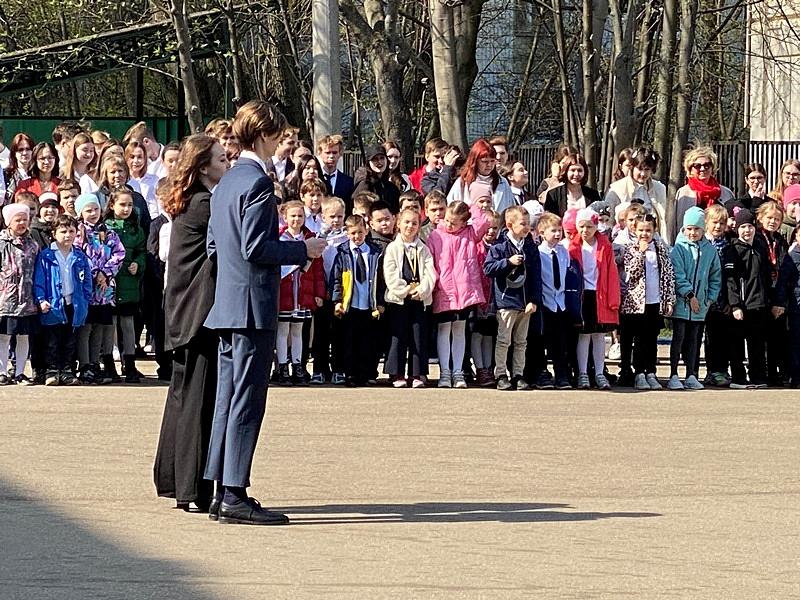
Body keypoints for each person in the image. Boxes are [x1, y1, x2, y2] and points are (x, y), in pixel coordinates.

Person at [203, 100, 325, 526]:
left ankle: (221, 490)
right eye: (278, 135)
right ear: (263, 136)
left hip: (228, 303)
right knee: (247, 400)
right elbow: (256, 247)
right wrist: (302, 249)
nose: (281, 143)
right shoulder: (256, 181)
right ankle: (234, 493)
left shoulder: (226, 182)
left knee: (227, 399)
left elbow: (215, 247)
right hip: (252, 306)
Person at [154, 133, 227, 514]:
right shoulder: (204, 204)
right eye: (220, 159)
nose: (227, 163)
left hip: (184, 313)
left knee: (182, 398)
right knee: (198, 400)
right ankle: (193, 488)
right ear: (202, 167)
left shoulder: (190, 200)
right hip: (199, 315)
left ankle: (175, 481)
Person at [427, 201, 489, 388]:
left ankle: (458, 371)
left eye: (454, 223)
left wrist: (472, 206)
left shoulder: (470, 233)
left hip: (465, 291)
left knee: (460, 331)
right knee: (444, 330)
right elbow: (431, 262)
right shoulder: (436, 235)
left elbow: (484, 221)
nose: (448, 225)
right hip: (444, 290)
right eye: (447, 220)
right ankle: (445, 372)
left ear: (464, 222)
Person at [483, 206, 541, 390]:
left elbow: (536, 276)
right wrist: (507, 262)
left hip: (525, 303)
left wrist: (534, 300)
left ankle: (518, 374)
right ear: (509, 225)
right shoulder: (499, 246)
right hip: (506, 301)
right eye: (523, 224)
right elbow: (488, 269)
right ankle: (500, 374)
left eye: (528, 224)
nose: (527, 227)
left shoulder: (530, 247)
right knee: (503, 340)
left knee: (521, 341)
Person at [33, 214, 93, 385]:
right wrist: (41, 299)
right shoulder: (46, 255)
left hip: (73, 304)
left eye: (71, 231)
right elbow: (39, 280)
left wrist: (85, 299)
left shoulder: (79, 256)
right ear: (54, 233)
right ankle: (51, 370)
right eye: (63, 231)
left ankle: (67, 370)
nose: (68, 235)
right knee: (52, 340)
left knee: (70, 340)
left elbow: (87, 280)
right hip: (53, 304)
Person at [74, 193, 125, 384]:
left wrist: (105, 272)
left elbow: (119, 253)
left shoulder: (109, 232)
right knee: (85, 327)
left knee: (99, 327)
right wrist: (94, 274)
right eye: (88, 210)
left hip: (104, 290)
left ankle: (95, 363)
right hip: (86, 288)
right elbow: (77, 256)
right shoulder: (78, 233)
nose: (93, 213)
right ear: (81, 213)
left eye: (96, 209)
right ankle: (84, 364)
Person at [620, 214, 675, 390]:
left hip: (655, 302)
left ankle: (651, 371)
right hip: (636, 305)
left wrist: (668, 299)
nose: (645, 234)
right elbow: (631, 273)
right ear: (634, 231)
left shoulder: (661, 249)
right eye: (641, 230)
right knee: (638, 339)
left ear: (654, 230)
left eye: (648, 230)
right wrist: (641, 253)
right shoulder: (630, 249)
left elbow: (668, 276)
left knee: (651, 339)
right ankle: (639, 373)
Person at [382, 207, 436, 387]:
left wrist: (422, 290)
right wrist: (405, 290)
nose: (410, 226)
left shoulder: (423, 249)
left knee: (418, 336)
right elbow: (390, 274)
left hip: (419, 300)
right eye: (406, 222)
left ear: (419, 226)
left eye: (414, 223)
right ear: (398, 223)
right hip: (398, 300)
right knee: (398, 336)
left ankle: (416, 373)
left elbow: (430, 273)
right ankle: (396, 373)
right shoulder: (392, 248)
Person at [274, 201, 325, 386]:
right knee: (282, 331)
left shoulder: (310, 238)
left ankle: (298, 366)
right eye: (293, 216)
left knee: (298, 331)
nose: (297, 219)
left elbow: (318, 269)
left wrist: (319, 293)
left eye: (300, 216)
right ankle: (282, 367)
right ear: (285, 217)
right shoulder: (279, 238)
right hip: (285, 292)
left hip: (302, 293)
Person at [569, 208, 620, 390]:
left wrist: (613, 299)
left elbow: (612, 273)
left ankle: (599, 373)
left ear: (596, 226)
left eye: (589, 226)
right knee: (583, 335)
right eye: (582, 226)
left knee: (599, 336)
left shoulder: (604, 245)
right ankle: (582, 373)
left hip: (600, 294)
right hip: (582, 296)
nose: (585, 230)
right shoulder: (572, 246)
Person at [331, 214, 384, 386]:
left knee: (368, 342)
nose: (357, 236)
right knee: (349, 342)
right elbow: (336, 278)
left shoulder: (375, 252)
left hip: (368, 303)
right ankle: (351, 374)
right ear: (347, 233)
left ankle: (368, 374)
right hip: (350, 303)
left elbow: (381, 279)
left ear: (366, 231)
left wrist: (381, 302)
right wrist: (337, 301)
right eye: (353, 233)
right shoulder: (343, 253)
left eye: (360, 232)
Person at [723, 209, 770, 388]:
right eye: (743, 227)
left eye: (750, 226)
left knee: (757, 343)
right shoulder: (732, 249)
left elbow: (765, 276)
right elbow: (730, 280)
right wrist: (735, 304)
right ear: (737, 229)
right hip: (741, 306)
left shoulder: (760, 247)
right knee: (736, 343)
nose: (747, 230)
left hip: (759, 303)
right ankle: (738, 377)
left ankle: (758, 376)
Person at [536, 212, 581, 389]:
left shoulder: (563, 252)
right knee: (541, 340)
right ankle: (542, 373)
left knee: (561, 342)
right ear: (542, 233)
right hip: (545, 302)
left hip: (561, 303)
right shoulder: (538, 253)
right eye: (553, 231)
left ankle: (562, 374)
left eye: (559, 230)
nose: (557, 234)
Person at [0, 203, 39, 385]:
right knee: (4, 336)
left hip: (27, 299)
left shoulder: (32, 244)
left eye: (25, 219)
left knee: (24, 336)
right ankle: (2, 371)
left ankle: (20, 372)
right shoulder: (2, 244)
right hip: (6, 299)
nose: (22, 223)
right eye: (18, 220)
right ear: (9, 222)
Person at [311, 196, 348, 385]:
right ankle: (319, 369)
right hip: (322, 291)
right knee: (321, 333)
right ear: (323, 217)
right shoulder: (318, 237)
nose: (336, 220)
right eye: (332, 216)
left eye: (340, 216)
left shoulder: (347, 237)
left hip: (341, 293)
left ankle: (339, 368)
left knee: (339, 333)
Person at [598, 146, 668, 241]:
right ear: (632, 167)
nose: (643, 174)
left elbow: (662, 221)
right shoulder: (617, 189)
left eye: (647, 169)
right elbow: (607, 222)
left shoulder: (659, 189)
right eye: (639, 169)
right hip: (623, 242)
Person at [754, 200, 790, 386]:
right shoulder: (756, 239)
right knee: (760, 338)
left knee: (777, 337)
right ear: (760, 218)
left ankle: (776, 373)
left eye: (777, 219)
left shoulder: (780, 241)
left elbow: (784, 271)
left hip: (777, 294)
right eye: (769, 217)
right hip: (760, 294)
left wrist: (780, 301)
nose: (773, 222)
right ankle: (760, 373)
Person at [672, 146, 734, 244]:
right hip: (691, 245)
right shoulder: (683, 193)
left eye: (707, 165)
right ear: (690, 169)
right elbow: (677, 225)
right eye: (697, 166)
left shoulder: (726, 193)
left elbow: (732, 222)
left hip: (722, 245)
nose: (702, 169)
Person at [702, 204, 734, 387]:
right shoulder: (701, 243)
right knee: (704, 338)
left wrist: (730, 300)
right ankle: (705, 371)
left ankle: (720, 370)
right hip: (702, 298)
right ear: (706, 222)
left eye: (722, 223)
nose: (718, 226)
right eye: (714, 222)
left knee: (720, 337)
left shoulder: (728, 245)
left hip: (721, 299)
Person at [470, 209, 500, 387]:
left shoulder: (499, 247)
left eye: (495, 228)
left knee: (489, 334)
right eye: (488, 227)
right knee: (477, 333)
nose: (491, 231)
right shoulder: (476, 246)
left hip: (494, 297)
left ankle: (488, 368)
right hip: (478, 295)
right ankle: (480, 368)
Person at [447, 139, 515, 214]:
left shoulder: (502, 182)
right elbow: (451, 211)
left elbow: (512, 210)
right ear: (475, 161)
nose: (489, 165)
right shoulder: (463, 182)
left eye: (492, 161)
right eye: (485, 161)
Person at [774, 222, 800, 388]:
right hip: (797, 306)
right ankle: (796, 377)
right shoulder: (791, 257)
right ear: (796, 236)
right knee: (796, 342)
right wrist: (779, 303)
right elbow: (782, 282)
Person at [353, 145, 401, 212]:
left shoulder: (392, 188)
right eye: (375, 159)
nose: (379, 162)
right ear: (368, 162)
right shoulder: (364, 185)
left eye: (382, 158)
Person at [317, 134, 354, 210]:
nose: (331, 156)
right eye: (327, 153)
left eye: (334, 152)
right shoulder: (316, 178)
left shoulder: (348, 182)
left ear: (340, 153)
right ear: (320, 153)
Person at [125, 141, 161, 219]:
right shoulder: (125, 181)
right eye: (132, 157)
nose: (136, 161)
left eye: (139, 157)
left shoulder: (154, 180)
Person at [3, 133, 35, 203]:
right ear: (14, 153)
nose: (24, 153)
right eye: (20, 150)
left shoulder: (37, 174)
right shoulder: (6, 175)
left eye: (28, 149)